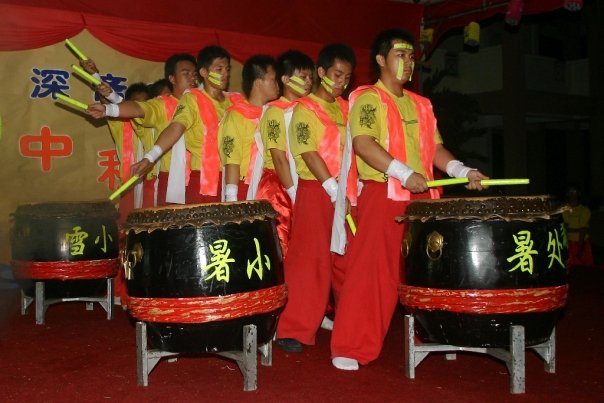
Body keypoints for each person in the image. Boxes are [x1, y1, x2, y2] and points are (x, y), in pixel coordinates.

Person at [329, 28, 488, 370]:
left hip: (424, 199)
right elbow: (364, 143)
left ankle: (433, 332)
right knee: (373, 272)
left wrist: (462, 170)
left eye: (411, 56)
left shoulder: (422, 104)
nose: (408, 61)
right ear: (380, 59)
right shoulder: (368, 98)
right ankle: (351, 345)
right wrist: (403, 173)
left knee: (426, 269)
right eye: (399, 54)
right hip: (385, 194)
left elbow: (436, 149)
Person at [275, 44, 356, 353]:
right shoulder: (305, 109)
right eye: (336, 74)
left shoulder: (347, 107)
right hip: (318, 189)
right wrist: (333, 190)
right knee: (310, 260)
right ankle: (294, 328)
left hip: (347, 191)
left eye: (346, 77)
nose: (341, 82)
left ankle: (351, 324)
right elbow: (307, 152)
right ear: (321, 72)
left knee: (347, 260)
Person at [128, 46, 244, 203]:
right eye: (219, 69)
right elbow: (175, 128)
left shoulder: (237, 101)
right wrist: (150, 157)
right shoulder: (192, 99)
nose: (225, 74)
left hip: (234, 179)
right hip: (204, 181)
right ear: (204, 72)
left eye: (227, 69)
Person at [88, 54, 198, 205]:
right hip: (150, 182)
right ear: (172, 79)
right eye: (186, 73)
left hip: (197, 179)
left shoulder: (200, 104)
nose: (192, 78)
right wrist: (109, 106)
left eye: (194, 74)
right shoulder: (159, 107)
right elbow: (133, 108)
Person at [250, 50, 314, 256]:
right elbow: (279, 158)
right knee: (281, 245)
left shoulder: (308, 109)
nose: (308, 82)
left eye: (310, 77)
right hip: (279, 186)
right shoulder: (275, 111)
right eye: (303, 76)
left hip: (300, 182)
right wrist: (293, 193)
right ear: (285, 79)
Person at [218, 55, 279, 201]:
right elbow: (231, 159)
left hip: (269, 186)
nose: (277, 85)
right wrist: (232, 198)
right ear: (258, 83)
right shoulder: (236, 116)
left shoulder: (273, 113)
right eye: (273, 79)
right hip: (243, 187)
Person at [563, 187, 594, 267]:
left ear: (578, 194)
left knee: (583, 268)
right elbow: (564, 227)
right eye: (570, 192)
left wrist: (580, 249)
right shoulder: (564, 209)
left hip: (581, 243)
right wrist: (576, 230)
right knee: (570, 268)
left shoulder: (584, 210)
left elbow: (583, 230)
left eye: (574, 192)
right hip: (568, 243)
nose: (572, 194)